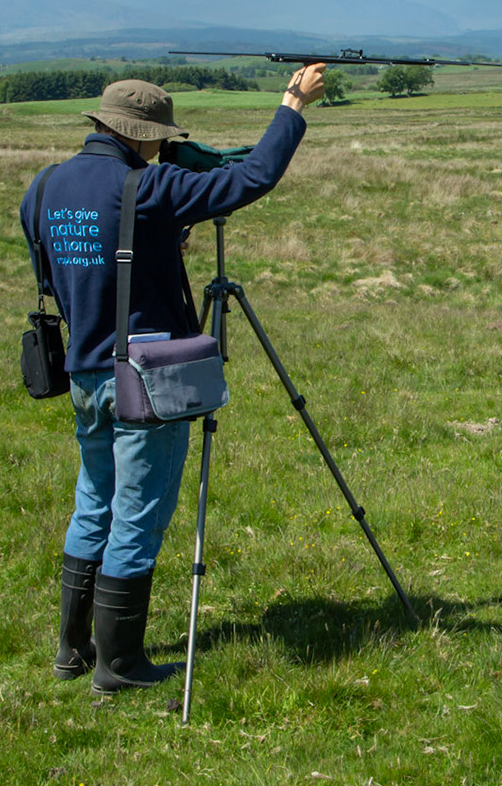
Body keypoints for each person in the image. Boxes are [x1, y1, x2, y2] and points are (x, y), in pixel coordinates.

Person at [20, 66, 326, 692]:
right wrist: (292, 106)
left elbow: (56, 273)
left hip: (83, 371)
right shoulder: (148, 186)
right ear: (143, 137)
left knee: (94, 505)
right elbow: (250, 178)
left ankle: (72, 652)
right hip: (143, 382)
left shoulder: (44, 186)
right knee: (137, 514)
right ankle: (121, 666)